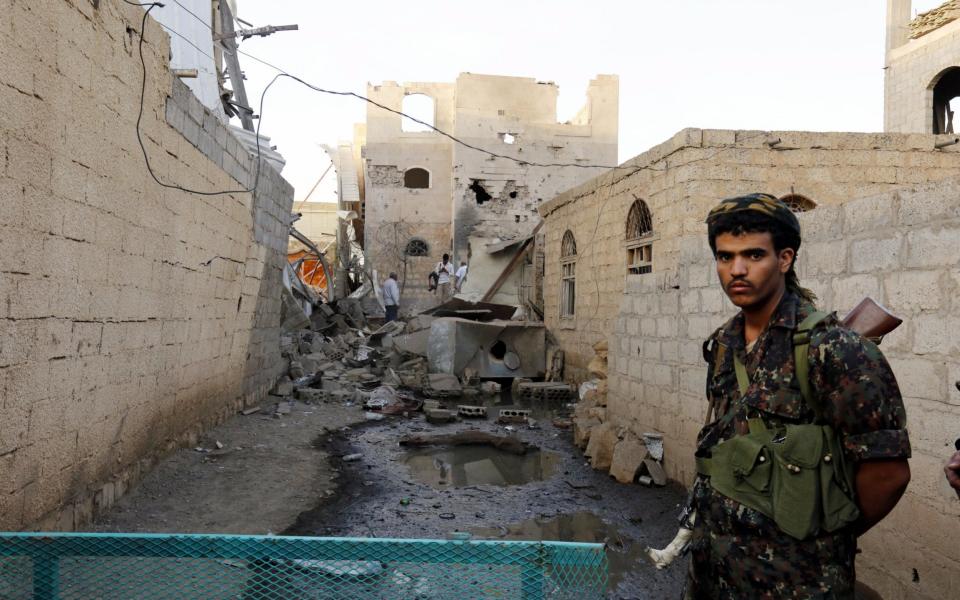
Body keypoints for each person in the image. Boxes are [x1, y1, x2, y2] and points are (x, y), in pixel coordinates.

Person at [686, 193, 911, 598]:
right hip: (714, 576)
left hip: (796, 585)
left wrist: (820, 535)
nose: (737, 270)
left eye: (754, 255)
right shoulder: (723, 345)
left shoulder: (836, 351)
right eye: (725, 257)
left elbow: (888, 475)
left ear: (785, 259)